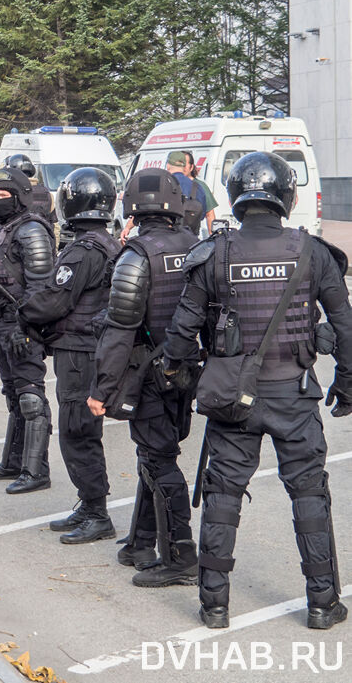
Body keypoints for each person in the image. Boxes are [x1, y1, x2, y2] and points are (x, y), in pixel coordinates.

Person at [163, 151, 352, 630]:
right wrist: (346, 383)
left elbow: (181, 334)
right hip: (294, 394)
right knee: (310, 495)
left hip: (234, 401)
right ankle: (322, 603)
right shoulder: (312, 251)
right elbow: (345, 325)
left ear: (235, 196)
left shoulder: (215, 252)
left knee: (222, 494)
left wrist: (188, 381)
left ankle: (215, 606)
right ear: (287, 195)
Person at [87, 168, 199, 587]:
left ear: (132, 206)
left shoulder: (137, 256)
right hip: (186, 369)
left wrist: (102, 388)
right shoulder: (196, 245)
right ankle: (141, 541)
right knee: (154, 455)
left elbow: (119, 330)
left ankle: (181, 556)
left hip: (148, 373)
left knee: (158, 459)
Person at [21, 168, 120, 542]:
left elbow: (57, 299)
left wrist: (23, 310)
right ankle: (89, 504)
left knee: (77, 431)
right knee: (82, 429)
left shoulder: (83, 250)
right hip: (91, 346)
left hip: (78, 350)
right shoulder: (108, 243)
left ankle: (96, 512)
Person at [0, 167, 56, 489]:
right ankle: (14, 461)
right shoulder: (1, 230)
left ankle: (37, 471)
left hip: (24, 323)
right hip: (1, 320)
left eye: (3, 195)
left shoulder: (32, 230)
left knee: (30, 396)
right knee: (12, 396)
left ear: (19, 195)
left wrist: (25, 327)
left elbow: (41, 287)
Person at [183, 150, 217, 234]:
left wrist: (213, 240)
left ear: (191, 167)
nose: (181, 167)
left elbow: (210, 215)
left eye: (184, 164)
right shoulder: (169, 183)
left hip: (191, 237)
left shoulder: (200, 186)